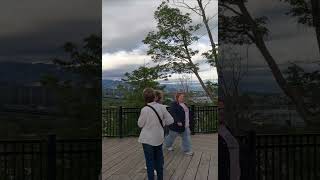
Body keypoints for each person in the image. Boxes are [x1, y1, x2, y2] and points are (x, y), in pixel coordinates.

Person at [138, 88, 174, 180]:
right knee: (159, 162)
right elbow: (171, 121)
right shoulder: (162, 107)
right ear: (154, 97)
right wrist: (162, 122)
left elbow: (140, 124)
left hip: (147, 139)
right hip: (158, 138)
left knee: (150, 162)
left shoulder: (145, 109)